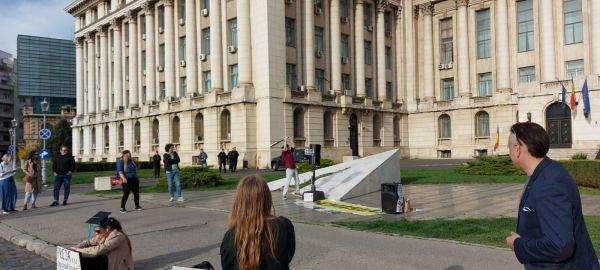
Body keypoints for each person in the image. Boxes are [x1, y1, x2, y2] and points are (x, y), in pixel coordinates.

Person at [505, 122, 599, 269]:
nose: (509, 152)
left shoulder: (549, 184)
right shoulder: (545, 173)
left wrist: (518, 244)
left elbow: (560, 246)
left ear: (517, 149)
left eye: (509, 147)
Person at [220, 175, 295, 270]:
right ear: (267, 197)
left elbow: (226, 266)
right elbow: (288, 256)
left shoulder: (230, 236)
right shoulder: (284, 226)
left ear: (239, 201)